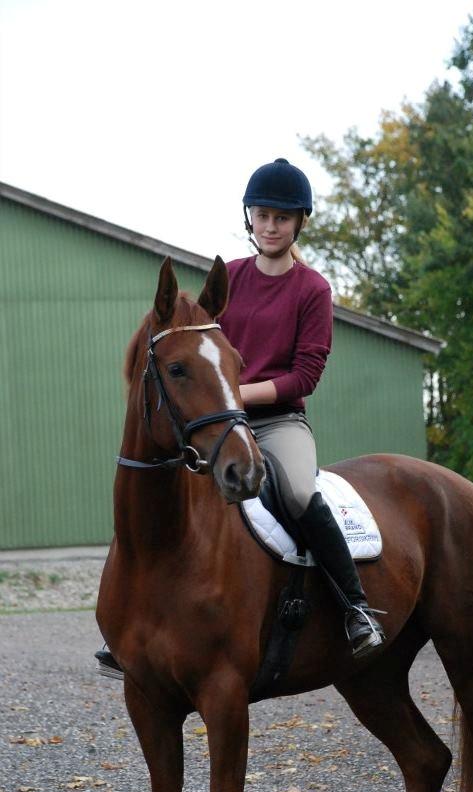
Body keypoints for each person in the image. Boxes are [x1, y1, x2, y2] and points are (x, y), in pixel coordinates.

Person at [95, 158, 384, 678]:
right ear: (249, 217)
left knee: (298, 492)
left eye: (282, 218)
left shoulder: (312, 289)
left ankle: (355, 607)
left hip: (278, 422)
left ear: (299, 223)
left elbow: (304, 376)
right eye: (262, 215)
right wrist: (216, 400)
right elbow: (199, 348)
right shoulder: (228, 278)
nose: (270, 227)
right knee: (157, 492)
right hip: (215, 421)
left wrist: (235, 396)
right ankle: (129, 624)